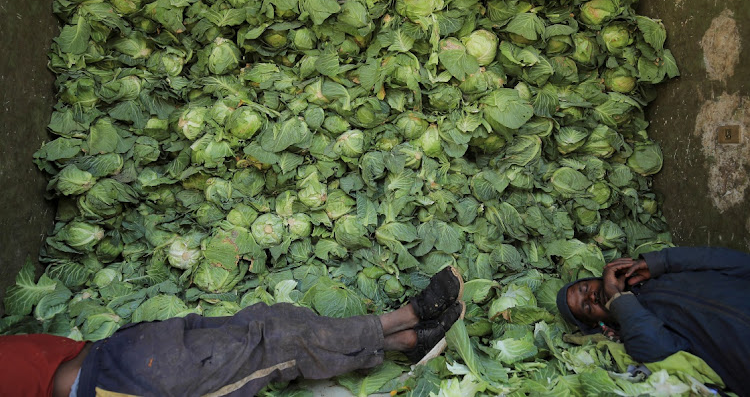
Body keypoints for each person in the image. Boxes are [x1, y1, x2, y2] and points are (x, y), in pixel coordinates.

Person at [0, 266, 465, 397]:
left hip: (114, 349)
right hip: (124, 385)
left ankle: (401, 342)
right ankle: (403, 323)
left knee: (269, 319)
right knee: (277, 348)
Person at [556, 246, 750, 395]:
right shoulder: (635, 334)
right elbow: (658, 348)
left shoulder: (660, 274)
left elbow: (729, 261)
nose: (590, 297)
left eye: (584, 289)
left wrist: (662, 261)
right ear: (595, 324)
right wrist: (617, 298)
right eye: (587, 308)